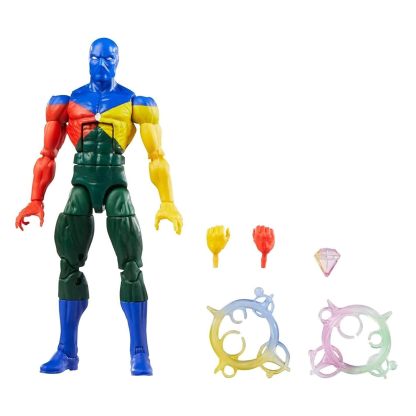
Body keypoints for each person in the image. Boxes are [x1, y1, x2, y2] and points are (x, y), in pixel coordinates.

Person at [15, 38, 183, 376]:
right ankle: (67, 352)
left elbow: (157, 156)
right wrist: (35, 199)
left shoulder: (135, 102)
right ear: (87, 59)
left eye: (108, 58)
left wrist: (167, 202)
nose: (100, 63)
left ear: (117, 61)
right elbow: (47, 155)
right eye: (95, 57)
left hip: (115, 185)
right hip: (81, 184)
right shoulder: (68, 102)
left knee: (132, 265)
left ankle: (140, 352)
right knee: (68, 265)